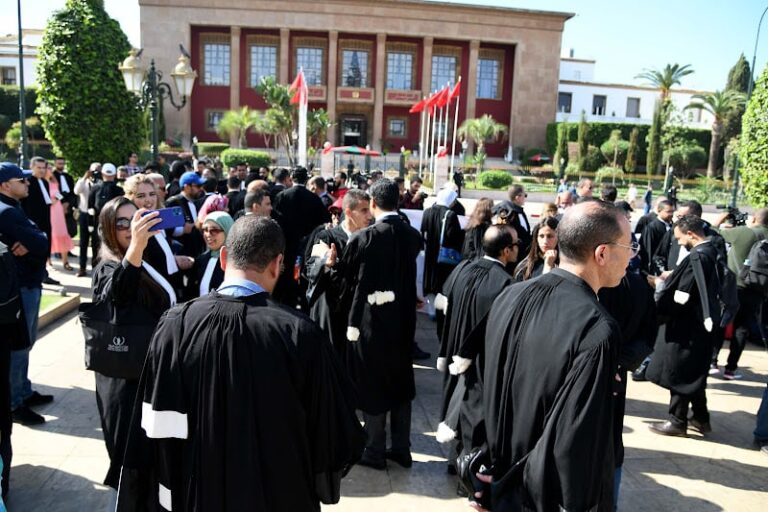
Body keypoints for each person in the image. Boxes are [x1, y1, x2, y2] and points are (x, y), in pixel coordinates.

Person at [116, 215, 365, 511]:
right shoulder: (300, 334)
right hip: (277, 494)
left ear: (223, 258)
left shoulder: (174, 325)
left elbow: (152, 427)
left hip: (197, 493)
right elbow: (337, 435)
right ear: (277, 264)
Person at [481, 200, 631, 512]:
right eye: (628, 246)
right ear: (602, 253)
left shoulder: (511, 294)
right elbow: (576, 443)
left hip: (500, 482)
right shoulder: (597, 328)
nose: (631, 256)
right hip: (539, 496)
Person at [326, 178, 422, 470]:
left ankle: (374, 450)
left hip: (371, 324)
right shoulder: (412, 236)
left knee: (373, 382)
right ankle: (401, 448)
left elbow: (347, 279)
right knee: (401, 382)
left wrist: (332, 266)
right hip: (404, 322)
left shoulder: (365, 238)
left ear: (374, 203)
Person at [91, 197, 175, 507]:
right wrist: (136, 247)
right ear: (108, 229)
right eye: (121, 223)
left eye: (135, 219)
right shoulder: (109, 266)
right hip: (125, 385)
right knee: (132, 470)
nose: (130, 227)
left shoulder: (144, 258)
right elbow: (118, 295)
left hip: (149, 375)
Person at [434, 226, 518, 469]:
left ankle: (454, 462)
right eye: (515, 244)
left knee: (453, 407)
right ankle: (466, 471)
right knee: (472, 416)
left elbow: (443, 305)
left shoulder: (462, 268)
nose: (517, 248)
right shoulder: (504, 283)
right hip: (480, 361)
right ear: (505, 251)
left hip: (453, 352)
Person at [646, 215, 722, 437]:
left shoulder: (698, 256)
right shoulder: (712, 252)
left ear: (691, 234)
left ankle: (677, 420)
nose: (679, 242)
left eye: (680, 238)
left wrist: (661, 295)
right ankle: (700, 418)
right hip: (702, 325)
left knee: (680, 371)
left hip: (687, 326)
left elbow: (682, 294)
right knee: (694, 372)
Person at [0, 163, 54, 427]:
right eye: (22, 180)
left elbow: (39, 239)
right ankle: (14, 403)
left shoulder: (14, 208)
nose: (28, 183)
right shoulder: (7, 211)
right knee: (18, 346)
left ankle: (23, 391)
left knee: (25, 343)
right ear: (5, 185)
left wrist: (35, 240)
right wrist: (35, 240)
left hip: (27, 283)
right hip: (19, 287)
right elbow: (42, 241)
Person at [598, 270, 657, 508]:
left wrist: (619, 362)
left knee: (609, 448)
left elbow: (647, 331)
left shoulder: (634, 284)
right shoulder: (568, 281)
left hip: (612, 381)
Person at [304, 189, 371, 357]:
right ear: (348, 212)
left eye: (369, 209)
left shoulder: (369, 239)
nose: (369, 215)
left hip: (357, 310)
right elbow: (310, 267)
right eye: (364, 210)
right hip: (330, 309)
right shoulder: (326, 237)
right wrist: (325, 263)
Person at [711, 207, 768, 379]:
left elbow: (712, 232)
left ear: (754, 219)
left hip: (733, 286)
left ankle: (712, 361)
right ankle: (731, 369)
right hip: (758, 289)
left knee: (722, 322)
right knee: (742, 329)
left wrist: (722, 218)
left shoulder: (743, 232)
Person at [271, 167, 330, 307]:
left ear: (291, 177)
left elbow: (275, 220)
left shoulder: (282, 196)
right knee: (305, 274)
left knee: (285, 277)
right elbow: (323, 222)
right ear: (306, 179)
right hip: (307, 244)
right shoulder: (314, 198)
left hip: (286, 243)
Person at [421, 188, 465, 315]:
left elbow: (423, 230)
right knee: (442, 281)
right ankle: (440, 312)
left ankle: (431, 311)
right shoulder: (450, 214)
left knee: (430, 279)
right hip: (443, 256)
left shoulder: (427, 211)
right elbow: (453, 236)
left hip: (429, 253)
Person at [188, 212, 233, 297]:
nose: (208, 235)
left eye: (214, 230)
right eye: (205, 230)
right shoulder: (201, 260)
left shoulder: (235, 262)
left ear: (227, 230)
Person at [88, 163, 125, 268]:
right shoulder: (97, 188)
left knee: (108, 247)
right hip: (102, 224)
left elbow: (90, 208)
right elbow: (90, 208)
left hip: (109, 224)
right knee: (99, 247)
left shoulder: (117, 190)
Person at [166, 171, 206, 257]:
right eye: (198, 186)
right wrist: (183, 229)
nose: (201, 189)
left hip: (195, 253)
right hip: (182, 256)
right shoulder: (173, 203)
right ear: (187, 187)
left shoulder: (195, 202)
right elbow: (167, 230)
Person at [45, 166, 74, 271]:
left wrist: (56, 199)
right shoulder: (42, 183)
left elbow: (60, 194)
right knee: (49, 235)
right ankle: (48, 262)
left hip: (58, 211)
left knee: (62, 234)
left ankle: (65, 261)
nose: (48, 171)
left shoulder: (54, 181)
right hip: (48, 212)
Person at [513, 216, 559, 281]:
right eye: (541, 236)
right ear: (536, 238)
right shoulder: (525, 267)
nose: (545, 241)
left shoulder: (566, 265)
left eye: (550, 236)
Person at [74, 163, 99, 277]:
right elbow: (76, 191)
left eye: (98, 170)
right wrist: (85, 177)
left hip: (96, 216)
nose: (95, 173)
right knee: (83, 242)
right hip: (84, 214)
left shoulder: (100, 184)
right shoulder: (84, 182)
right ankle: (82, 267)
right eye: (94, 170)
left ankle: (95, 267)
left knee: (96, 243)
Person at [639, 199, 674, 273]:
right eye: (668, 212)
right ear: (659, 211)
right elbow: (648, 250)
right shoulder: (651, 228)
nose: (671, 214)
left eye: (672, 211)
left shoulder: (672, 226)